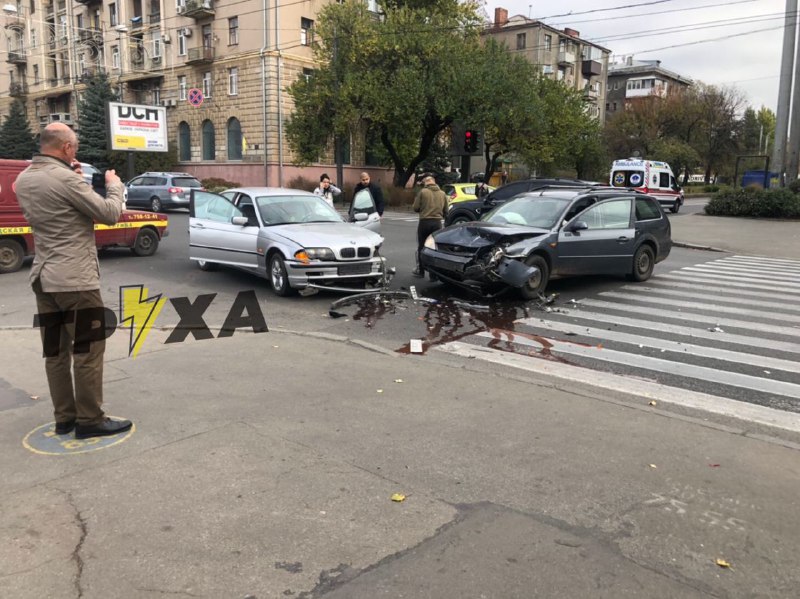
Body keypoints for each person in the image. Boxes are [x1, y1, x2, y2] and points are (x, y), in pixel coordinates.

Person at [15, 123, 132, 439]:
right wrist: (114, 184)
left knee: (55, 352)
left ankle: (64, 418)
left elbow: (59, 206)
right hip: (75, 281)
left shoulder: (23, 180)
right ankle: (90, 421)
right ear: (66, 148)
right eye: (75, 147)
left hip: (43, 277)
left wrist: (74, 179)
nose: (76, 151)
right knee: (88, 349)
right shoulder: (65, 179)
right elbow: (109, 213)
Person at [412, 173, 448, 277]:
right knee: (434, 248)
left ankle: (421, 271)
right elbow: (446, 211)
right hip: (437, 223)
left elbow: (415, 208)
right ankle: (433, 274)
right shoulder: (442, 193)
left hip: (424, 222)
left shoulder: (423, 192)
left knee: (422, 247)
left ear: (427, 183)